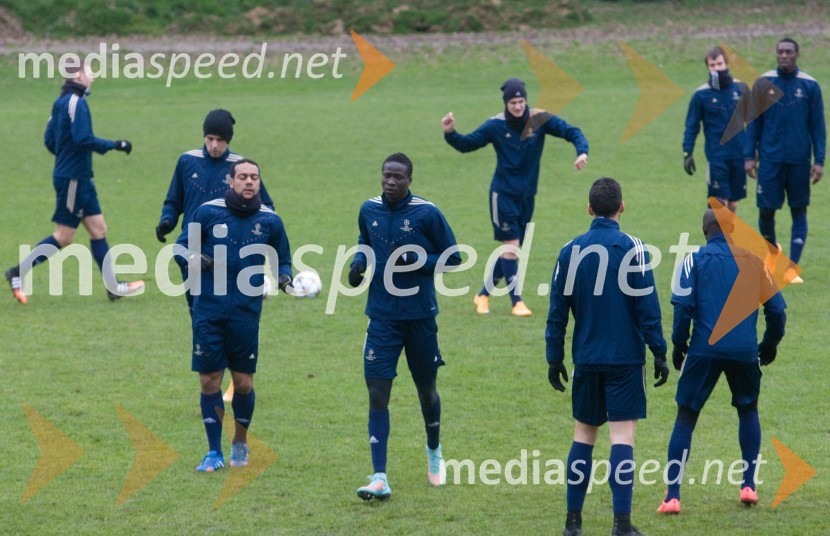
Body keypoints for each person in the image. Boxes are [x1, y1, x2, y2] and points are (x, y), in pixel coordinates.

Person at [546, 178, 668, 536]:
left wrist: (554, 358)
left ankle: (573, 524)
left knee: (583, 437)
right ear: (622, 207)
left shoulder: (570, 251)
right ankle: (622, 525)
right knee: (622, 440)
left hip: (586, 360)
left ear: (589, 209)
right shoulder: (634, 248)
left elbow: (557, 312)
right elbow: (648, 308)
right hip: (626, 362)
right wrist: (659, 352)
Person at [348, 152, 461, 500]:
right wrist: (357, 263)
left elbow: (454, 257)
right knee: (377, 394)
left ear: (410, 180)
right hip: (381, 318)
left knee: (426, 391)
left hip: (420, 318)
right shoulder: (369, 210)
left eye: (398, 177)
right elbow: (365, 242)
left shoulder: (427, 213)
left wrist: (421, 260)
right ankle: (379, 476)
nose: (391, 182)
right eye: (386, 176)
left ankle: (434, 451)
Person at [657, 209, 786, 514]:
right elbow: (778, 311)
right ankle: (748, 486)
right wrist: (768, 347)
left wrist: (679, 346)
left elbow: (682, 308)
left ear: (705, 231)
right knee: (747, 409)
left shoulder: (693, 260)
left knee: (686, 417)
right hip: (743, 351)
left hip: (703, 349)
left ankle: (672, 496)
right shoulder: (755, 261)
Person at [442, 77, 588, 317]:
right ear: (506, 103)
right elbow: (467, 144)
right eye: (513, 102)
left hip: (528, 196)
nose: (518, 106)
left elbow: (571, 131)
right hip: (503, 195)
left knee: (512, 249)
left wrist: (581, 151)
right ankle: (516, 301)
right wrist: (450, 133)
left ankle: (482, 295)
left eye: (521, 101)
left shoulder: (538, 119)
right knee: (512, 245)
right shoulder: (495, 126)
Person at [156, 109, 275, 401]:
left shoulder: (240, 168)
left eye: (220, 140)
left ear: (228, 140)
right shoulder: (187, 161)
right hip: (192, 254)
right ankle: (212, 381)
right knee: (200, 316)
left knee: (233, 316)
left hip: (229, 257)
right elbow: (175, 199)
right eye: (209, 138)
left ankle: (235, 377)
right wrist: (167, 221)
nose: (214, 145)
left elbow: (267, 207)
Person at [4, 64, 143, 303]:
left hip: (79, 177)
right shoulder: (75, 103)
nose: (93, 78)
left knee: (99, 229)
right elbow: (83, 139)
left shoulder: (61, 102)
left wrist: (65, 156)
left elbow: (50, 140)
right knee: (64, 236)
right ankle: (17, 272)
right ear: (78, 75)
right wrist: (116, 145)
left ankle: (113, 287)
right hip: (72, 179)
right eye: (90, 73)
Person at [188, 158, 292, 472]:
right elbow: (182, 249)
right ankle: (212, 452)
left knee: (243, 384)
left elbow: (283, 260)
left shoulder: (271, 221)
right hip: (208, 310)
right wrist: (197, 258)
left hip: (246, 313)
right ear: (231, 181)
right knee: (209, 380)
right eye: (243, 177)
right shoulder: (207, 212)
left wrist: (285, 278)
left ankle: (240, 443)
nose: (249, 182)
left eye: (255, 177)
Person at [744, 37, 825, 284]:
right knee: (766, 210)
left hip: (799, 161)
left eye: (789, 51)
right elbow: (752, 124)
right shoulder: (763, 83)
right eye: (780, 51)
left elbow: (818, 127)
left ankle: (791, 268)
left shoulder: (809, 86)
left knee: (798, 209)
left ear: (797, 54)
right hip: (770, 160)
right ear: (776, 54)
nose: (784, 55)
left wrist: (819, 160)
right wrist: (749, 156)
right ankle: (772, 256)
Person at [682, 46, 750, 212]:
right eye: (712, 65)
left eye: (719, 64)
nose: (717, 68)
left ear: (726, 64)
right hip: (716, 157)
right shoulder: (701, 95)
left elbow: (755, 122)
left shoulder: (741, 89)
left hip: (739, 155)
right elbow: (692, 125)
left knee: (733, 204)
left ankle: (728, 237)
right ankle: (715, 236)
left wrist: (755, 149)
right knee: (719, 204)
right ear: (708, 67)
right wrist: (687, 152)